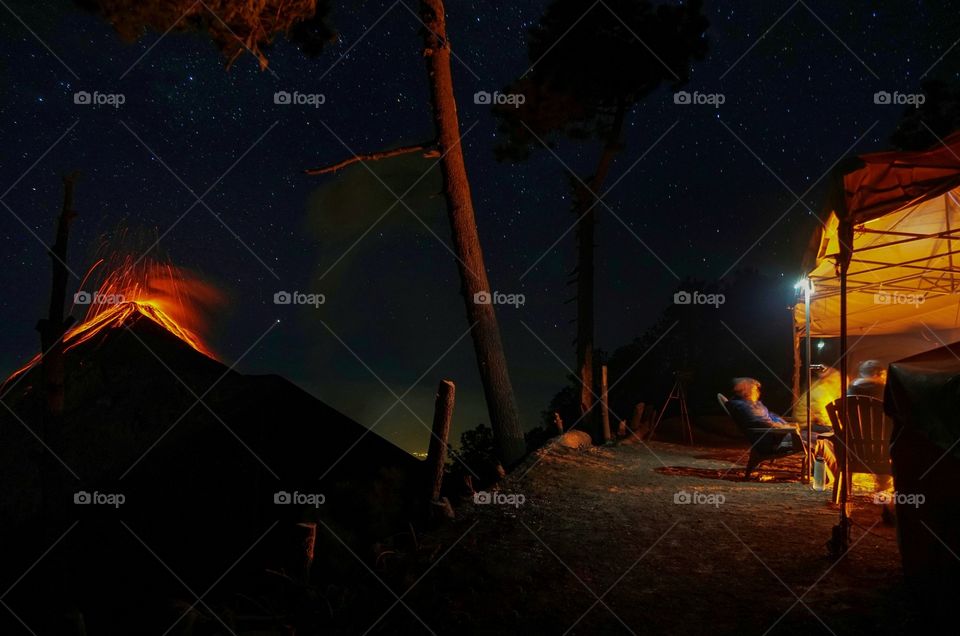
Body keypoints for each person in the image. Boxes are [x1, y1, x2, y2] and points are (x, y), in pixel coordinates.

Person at [726, 377, 799, 449]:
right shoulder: (742, 406)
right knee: (809, 437)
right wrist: (785, 427)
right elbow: (759, 422)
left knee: (808, 435)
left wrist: (787, 424)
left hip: (780, 435)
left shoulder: (754, 404)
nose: (758, 392)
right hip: (774, 441)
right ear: (746, 391)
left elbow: (770, 417)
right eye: (755, 389)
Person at [793, 365, 841, 434]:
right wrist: (838, 426)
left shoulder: (823, 388)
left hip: (810, 423)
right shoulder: (821, 393)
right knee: (836, 430)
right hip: (806, 425)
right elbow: (823, 417)